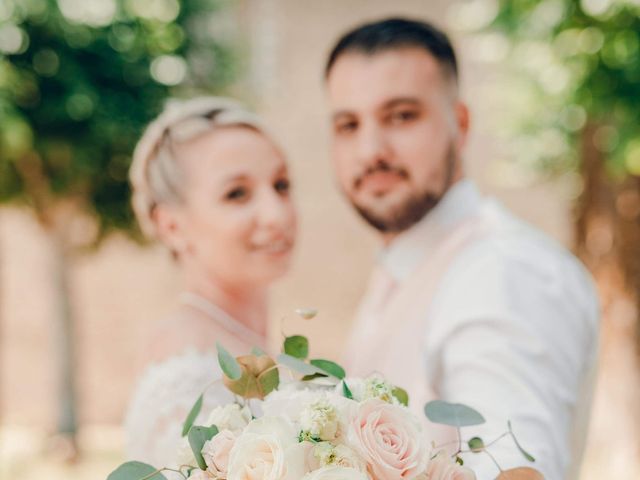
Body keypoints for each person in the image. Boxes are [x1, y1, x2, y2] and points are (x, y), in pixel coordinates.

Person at [325, 18, 599, 479]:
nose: (371, 149)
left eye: (402, 116)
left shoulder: (503, 270)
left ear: (461, 123)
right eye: (348, 124)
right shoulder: (404, 268)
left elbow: (513, 469)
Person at [124, 97, 297, 471]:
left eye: (281, 185)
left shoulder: (256, 344)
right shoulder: (185, 368)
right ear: (173, 226)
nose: (277, 214)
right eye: (237, 193)